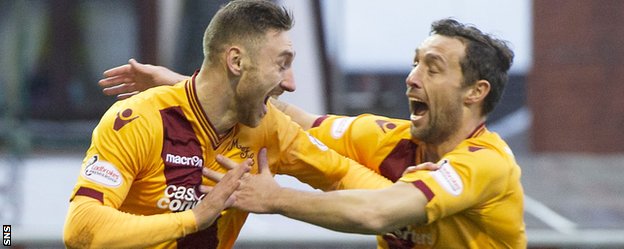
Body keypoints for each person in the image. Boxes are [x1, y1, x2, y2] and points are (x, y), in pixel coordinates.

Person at [99, 19, 526, 248]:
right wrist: (186, 88)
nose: (412, 78)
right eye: (414, 62)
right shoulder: (386, 137)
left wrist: (276, 198)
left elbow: (379, 214)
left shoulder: (485, 163)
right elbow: (291, 121)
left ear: (476, 92)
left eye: (432, 68)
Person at [63, 1, 392, 248]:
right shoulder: (140, 119)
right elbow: (80, 229)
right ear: (236, 61)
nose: (291, 84)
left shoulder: (270, 130)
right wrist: (194, 218)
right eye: (282, 65)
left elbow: (352, 181)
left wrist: (428, 201)